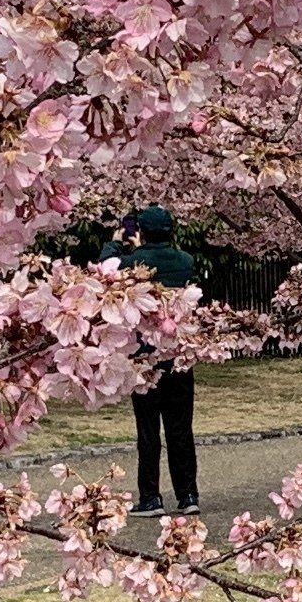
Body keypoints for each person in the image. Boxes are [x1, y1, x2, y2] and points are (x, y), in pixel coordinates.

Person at [105, 207, 206, 512]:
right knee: (180, 430)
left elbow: (105, 270)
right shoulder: (186, 262)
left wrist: (115, 243)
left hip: (145, 358)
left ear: (142, 232)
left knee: (148, 430)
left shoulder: (130, 263)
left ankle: (150, 497)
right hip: (178, 356)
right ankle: (187, 495)